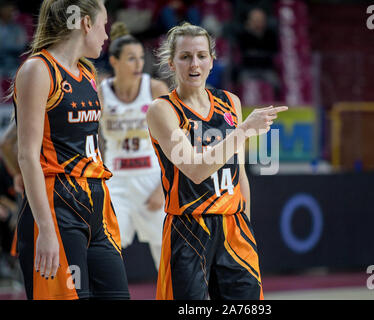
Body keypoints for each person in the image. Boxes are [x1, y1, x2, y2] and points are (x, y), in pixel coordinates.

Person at [147, 22, 288, 300]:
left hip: (234, 226)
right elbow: (195, 170)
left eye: (201, 55)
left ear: (212, 61)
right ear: (171, 63)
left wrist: (245, 225)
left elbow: (240, 173)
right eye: (185, 56)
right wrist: (245, 130)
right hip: (188, 228)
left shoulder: (230, 102)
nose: (194, 63)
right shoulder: (162, 109)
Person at [11, 0, 129, 299]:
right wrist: (46, 230)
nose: (106, 35)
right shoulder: (38, 69)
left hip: (96, 205)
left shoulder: (88, 73)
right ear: (86, 24)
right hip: (58, 207)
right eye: (103, 26)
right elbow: (26, 154)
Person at [98, 21, 169, 270]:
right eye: (131, 59)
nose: (139, 64)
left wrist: (163, 187)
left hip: (152, 179)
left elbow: (178, 143)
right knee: (106, 248)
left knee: (167, 254)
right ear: (114, 61)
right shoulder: (100, 91)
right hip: (115, 180)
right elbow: (91, 139)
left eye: (141, 58)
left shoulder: (155, 88)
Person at [0, 1, 27, 79]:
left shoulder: (18, 28)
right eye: (8, 9)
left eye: (12, 10)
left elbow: (21, 46)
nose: (12, 13)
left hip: (14, 66)